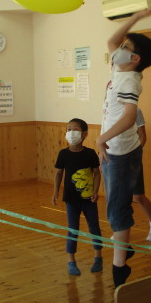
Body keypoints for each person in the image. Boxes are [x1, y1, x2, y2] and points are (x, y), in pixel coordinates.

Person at [96, 8, 151, 287]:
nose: (118, 49)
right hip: (115, 149)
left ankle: (119, 268)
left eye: (126, 47)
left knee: (117, 210)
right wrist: (135, 19)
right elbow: (112, 41)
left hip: (121, 152)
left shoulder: (130, 80)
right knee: (115, 206)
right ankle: (125, 251)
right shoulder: (118, 68)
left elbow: (130, 117)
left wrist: (101, 138)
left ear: (135, 59)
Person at [52, 118, 103, 276]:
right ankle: (71, 261)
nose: (71, 132)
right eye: (69, 129)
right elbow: (59, 173)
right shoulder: (63, 154)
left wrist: (95, 191)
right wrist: (55, 192)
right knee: (73, 230)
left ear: (84, 134)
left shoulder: (90, 153)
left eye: (75, 129)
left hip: (89, 199)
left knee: (94, 227)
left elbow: (96, 173)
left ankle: (98, 257)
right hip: (71, 200)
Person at [133, 108, 151, 241]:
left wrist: (135, 153)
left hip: (132, 158)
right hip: (114, 159)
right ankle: (120, 230)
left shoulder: (136, 111)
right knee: (119, 197)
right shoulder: (109, 109)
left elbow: (142, 136)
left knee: (138, 196)